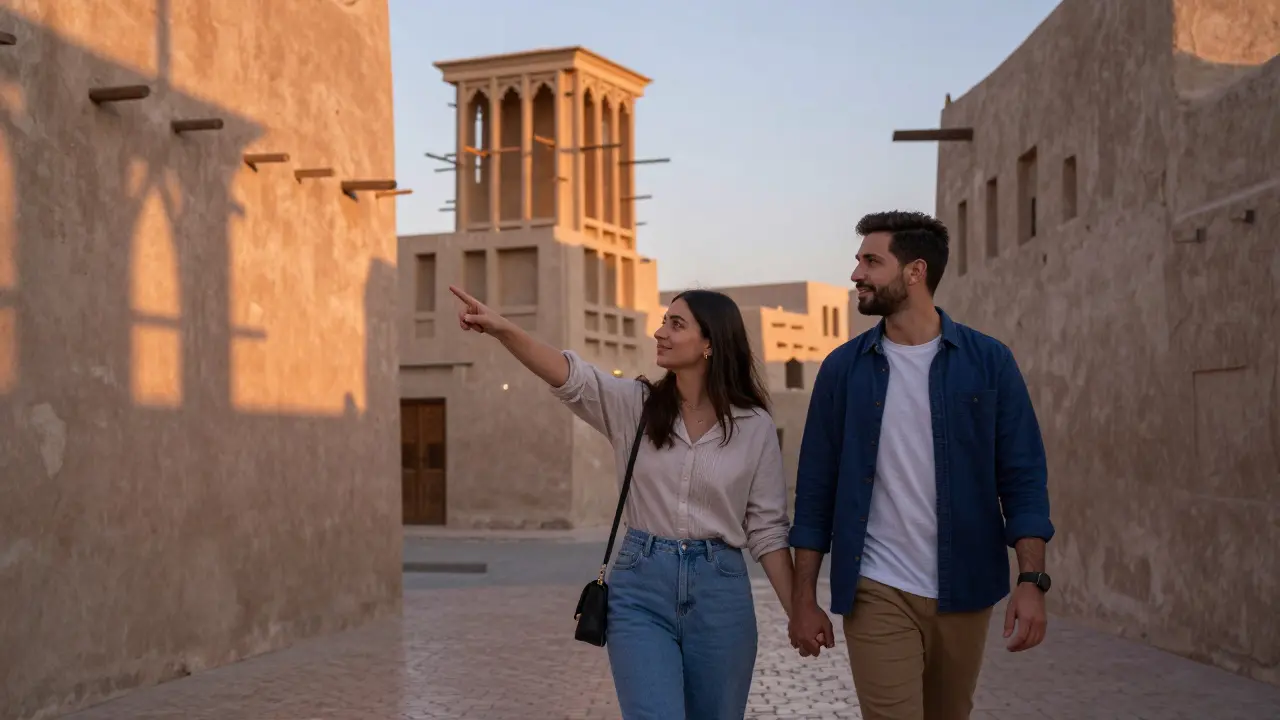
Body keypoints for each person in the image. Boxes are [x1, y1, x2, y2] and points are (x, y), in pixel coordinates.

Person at [450, 284, 795, 720]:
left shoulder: (754, 426)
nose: (659, 332)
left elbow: (767, 530)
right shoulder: (635, 405)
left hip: (720, 592)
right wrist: (503, 330)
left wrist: (798, 611)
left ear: (710, 343)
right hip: (641, 587)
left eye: (676, 323)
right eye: (663, 321)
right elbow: (569, 375)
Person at [787, 210, 1055, 720]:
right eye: (858, 260)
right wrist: (804, 598)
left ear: (915, 272)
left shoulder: (988, 362)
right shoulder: (843, 370)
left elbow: (1022, 477)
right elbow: (815, 492)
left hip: (966, 586)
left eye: (872, 261)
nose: (856, 274)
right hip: (875, 588)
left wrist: (1031, 582)